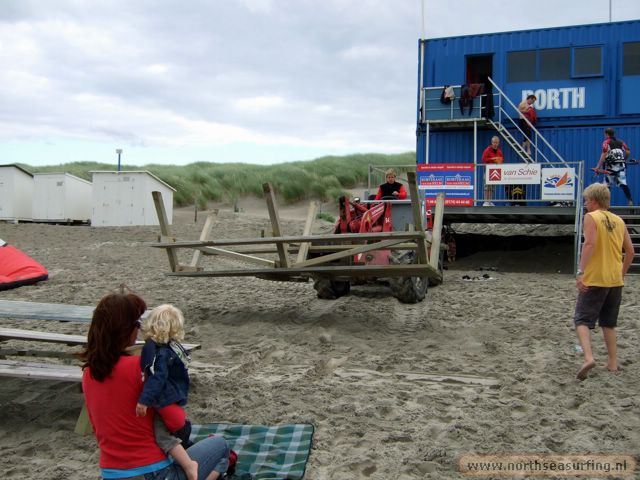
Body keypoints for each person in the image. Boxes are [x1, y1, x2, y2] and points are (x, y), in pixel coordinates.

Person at [81, 288, 229, 480]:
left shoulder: (89, 373)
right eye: (137, 323)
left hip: (112, 473)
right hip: (154, 472)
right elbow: (176, 421)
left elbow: (97, 426)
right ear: (127, 329)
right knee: (221, 447)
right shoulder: (142, 368)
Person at [574, 183, 634, 381]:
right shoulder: (619, 220)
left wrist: (581, 272)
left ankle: (589, 357)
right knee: (608, 323)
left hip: (596, 278)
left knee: (582, 320)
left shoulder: (591, 217)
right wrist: (622, 273)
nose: (585, 203)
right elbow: (630, 252)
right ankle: (612, 363)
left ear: (594, 200)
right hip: (615, 280)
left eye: (586, 200)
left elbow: (589, 243)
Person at [137, 304, 193, 450]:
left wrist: (144, 400)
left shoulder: (159, 352)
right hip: (173, 395)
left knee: (166, 433)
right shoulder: (171, 347)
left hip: (165, 399)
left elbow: (157, 377)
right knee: (173, 429)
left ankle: (186, 450)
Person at [595, 128, 634, 207]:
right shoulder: (621, 142)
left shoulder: (606, 142)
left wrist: (598, 166)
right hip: (620, 166)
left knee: (607, 185)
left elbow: (604, 153)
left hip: (610, 166)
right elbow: (627, 151)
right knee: (623, 183)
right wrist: (624, 159)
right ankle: (630, 200)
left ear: (606, 134)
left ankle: (606, 204)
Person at [481, 136, 504, 206]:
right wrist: (493, 159)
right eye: (494, 142)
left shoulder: (499, 151)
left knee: (492, 187)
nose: (495, 144)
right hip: (488, 171)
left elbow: (502, 159)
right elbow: (483, 159)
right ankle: (485, 202)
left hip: (495, 172)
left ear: (498, 143)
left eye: (496, 142)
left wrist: (499, 161)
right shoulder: (487, 150)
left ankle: (490, 201)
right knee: (487, 187)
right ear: (492, 142)